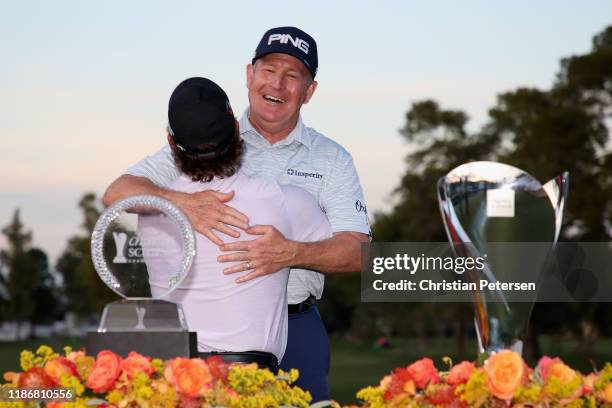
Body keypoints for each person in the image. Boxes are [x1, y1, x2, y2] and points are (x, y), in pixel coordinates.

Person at [103, 26, 370, 401]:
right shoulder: (205, 131)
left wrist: (291, 253)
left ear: (309, 91)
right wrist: (183, 204)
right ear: (250, 75)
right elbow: (118, 192)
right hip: (198, 333)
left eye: (292, 76)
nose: (277, 84)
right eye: (268, 70)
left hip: (295, 325)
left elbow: (360, 251)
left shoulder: (333, 158)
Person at [139, 76, 332, 370]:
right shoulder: (283, 201)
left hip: (176, 385)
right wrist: (292, 253)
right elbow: (356, 253)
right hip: (257, 388)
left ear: (171, 144)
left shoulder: (149, 214)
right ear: (238, 131)